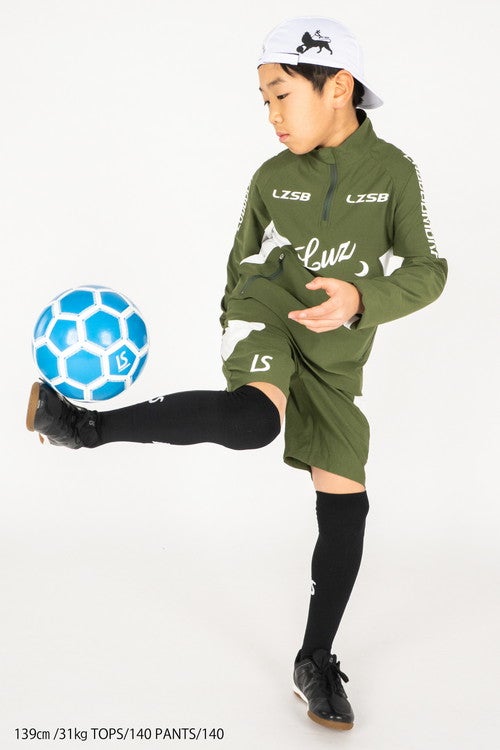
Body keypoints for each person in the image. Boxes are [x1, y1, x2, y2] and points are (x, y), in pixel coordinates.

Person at [26, 16, 447, 731]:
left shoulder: (394, 173)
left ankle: (314, 660)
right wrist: (246, 320)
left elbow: (429, 270)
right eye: (264, 100)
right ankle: (84, 425)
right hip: (265, 312)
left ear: (339, 87)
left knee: (347, 499)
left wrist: (360, 299)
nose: (272, 114)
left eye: (282, 95)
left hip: (336, 354)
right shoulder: (272, 179)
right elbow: (240, 269)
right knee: (254, 421)